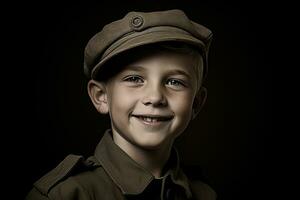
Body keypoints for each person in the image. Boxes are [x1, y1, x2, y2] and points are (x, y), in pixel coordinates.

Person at [26, 9, 216, 200]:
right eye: (134, 78)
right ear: (101, 96)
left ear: (196, 104)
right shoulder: (65, 195)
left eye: (174, 82)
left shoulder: (204, 195)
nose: (155, 97)